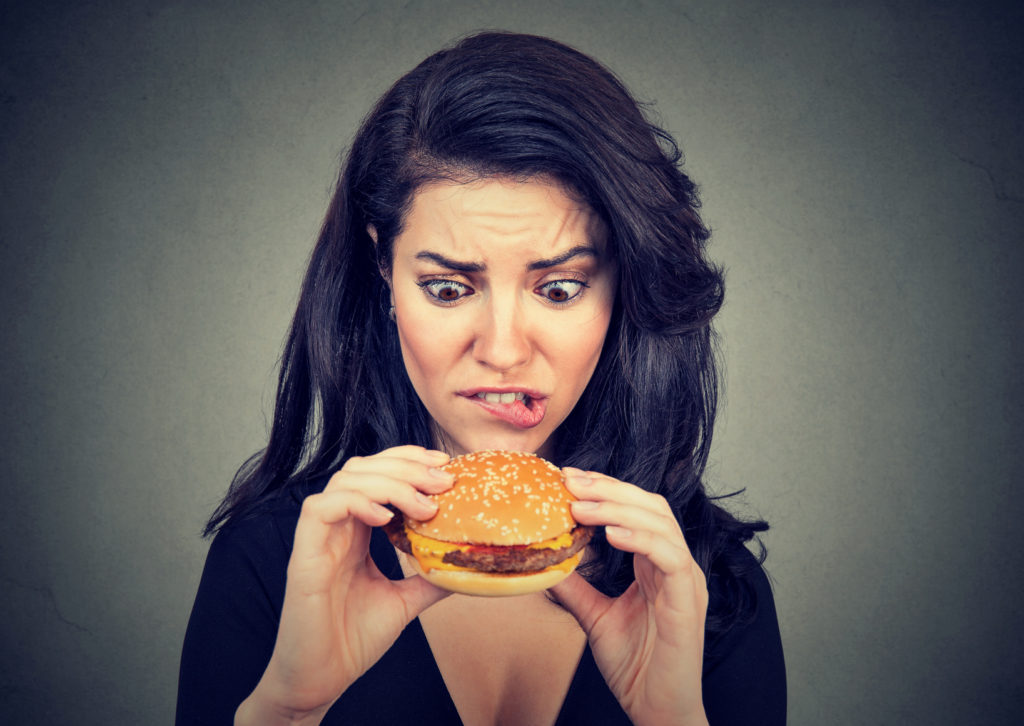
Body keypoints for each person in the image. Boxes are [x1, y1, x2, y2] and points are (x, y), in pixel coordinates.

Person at [176, 31, 786, 726]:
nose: (502, 351)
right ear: (383, 272)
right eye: (447, 289)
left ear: (625, 288)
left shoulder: (706, 587)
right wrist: (286, 711)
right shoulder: (271, 562)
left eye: (559, 289)